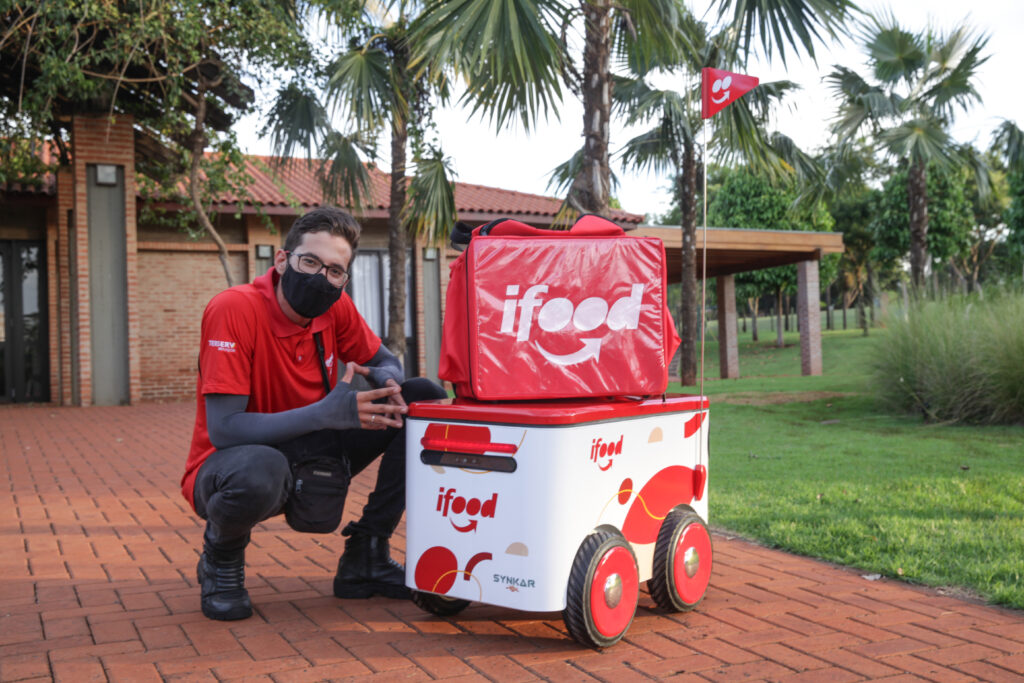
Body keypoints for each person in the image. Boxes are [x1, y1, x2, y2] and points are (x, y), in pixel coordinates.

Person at [181, 206, 447, 621]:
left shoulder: (334, 309)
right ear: (282, 260)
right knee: (261, 469)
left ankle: (367, 552)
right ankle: (222, 557)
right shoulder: (233, 309)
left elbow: (385, 359)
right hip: (233, 462)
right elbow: (224, 429)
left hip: (315, 443)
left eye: (335, 271)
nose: (321, 278)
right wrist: (325, 413)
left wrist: (387, 377)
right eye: (310, 262)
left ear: (344, 279)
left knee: (422, 399)